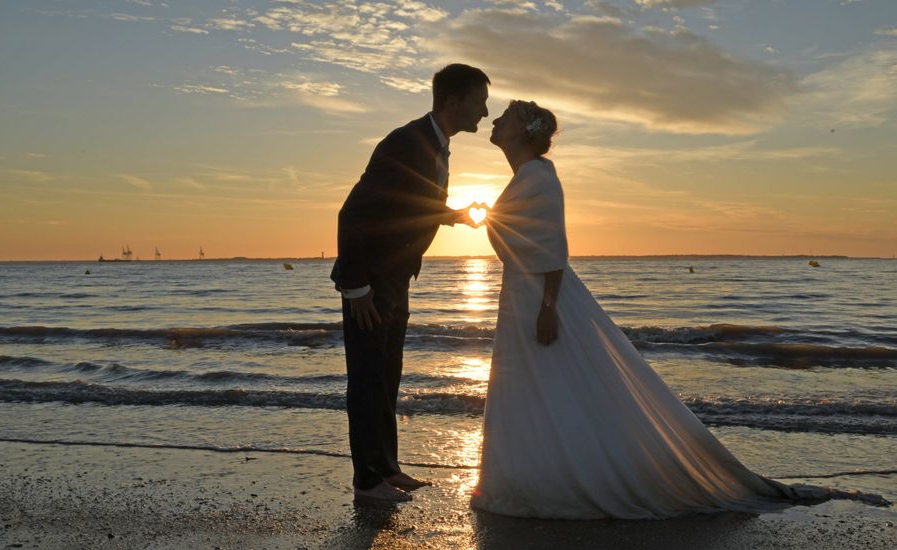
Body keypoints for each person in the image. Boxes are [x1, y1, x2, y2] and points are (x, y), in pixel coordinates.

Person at [470, 100, 888, 519]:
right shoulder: (527, 176)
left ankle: (563, 475)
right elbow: (515, 241)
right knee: (539, 384)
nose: (495, 119)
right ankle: (530, 474)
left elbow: (555, 249)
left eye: (505, 115)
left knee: (556, 381)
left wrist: (548, 307)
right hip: (521, 292)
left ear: (524, 131)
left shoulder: (540, 176)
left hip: (542, 296)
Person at [331, 64, 490, 502]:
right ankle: (366, 482)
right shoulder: (406, 142)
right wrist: (357, 287)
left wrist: (454, 214)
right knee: (366, 378)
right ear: (453, 102)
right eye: (480, 101)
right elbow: (352, 214)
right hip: (369, 281)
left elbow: (404, 206)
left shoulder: (437, 145)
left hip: (395, 278)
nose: (485, 111)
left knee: (387, 374)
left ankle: (387, 468)